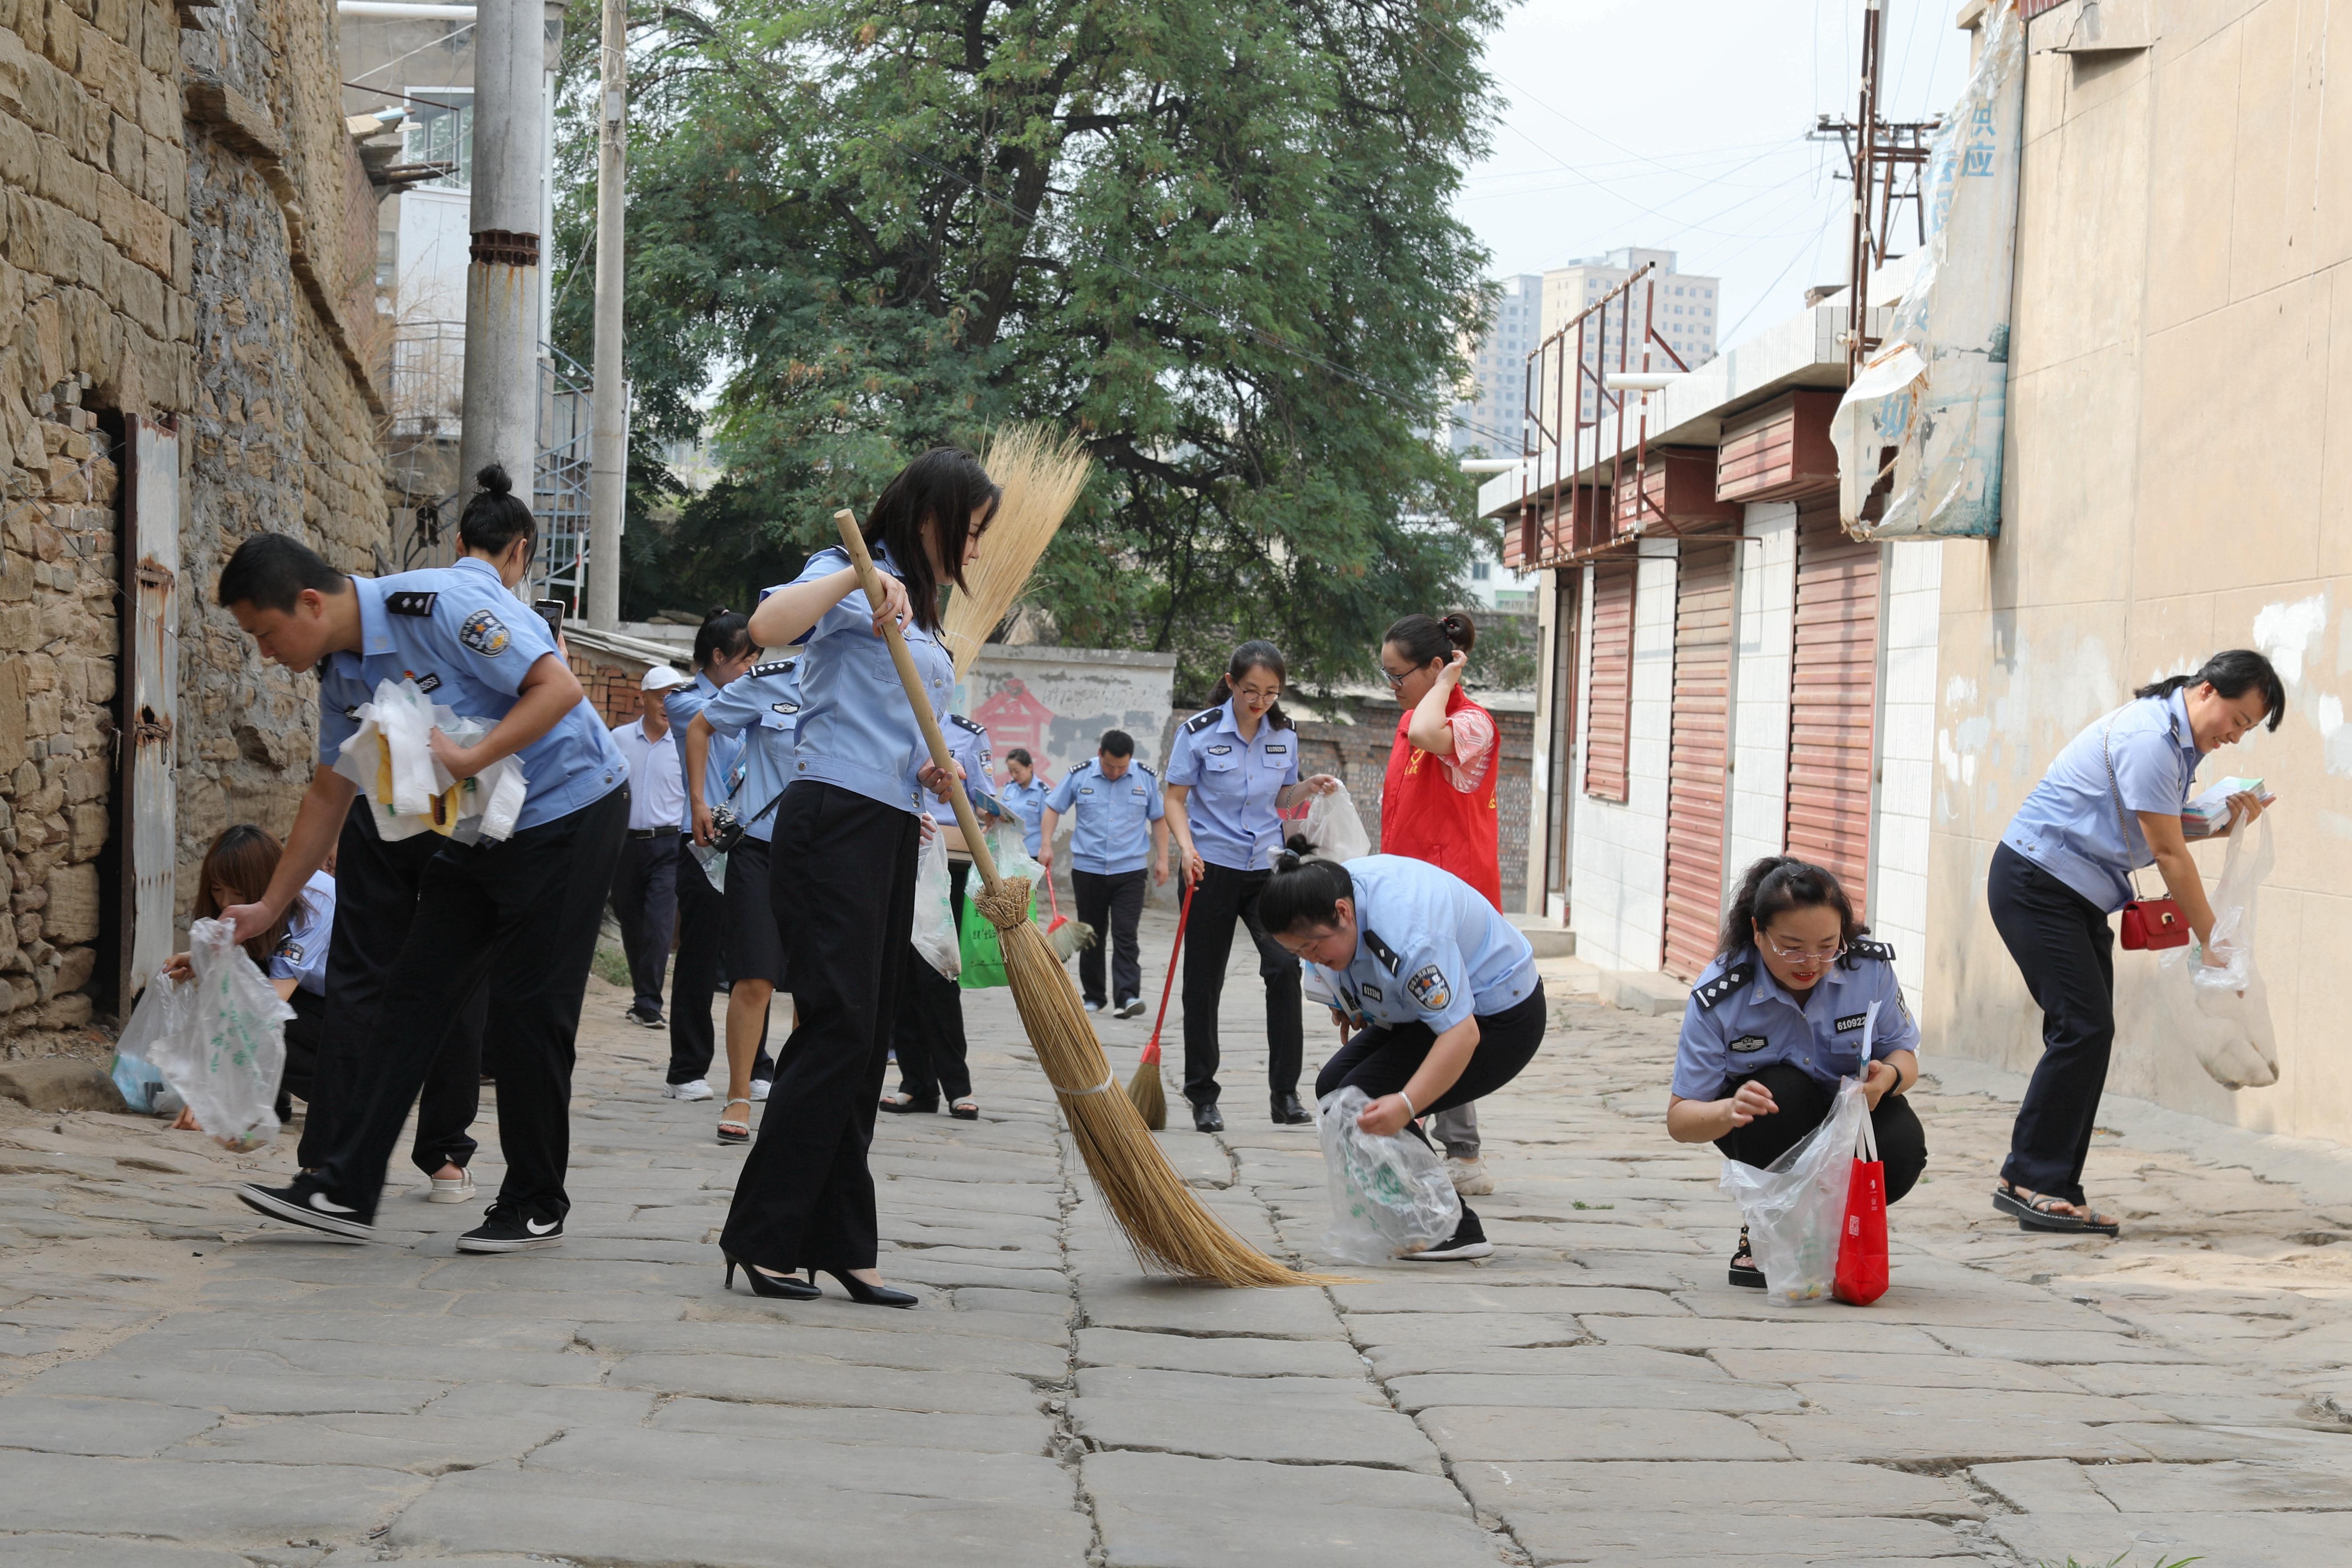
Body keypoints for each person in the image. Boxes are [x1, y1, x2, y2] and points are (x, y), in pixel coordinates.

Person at [225, 464, 630, 1253]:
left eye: (266, 634)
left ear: (310, 602)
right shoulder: (341, 670)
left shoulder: (443, 604)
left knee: (528, 1011)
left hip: (570, 814)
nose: (267, 653)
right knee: (410, 997)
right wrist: (270, 906)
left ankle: (535, 1199)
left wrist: (468, 756)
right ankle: (342, 1185)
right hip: (477, 834)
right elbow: (326, 795)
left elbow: (556, 690)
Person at [722, 446, 997, 1308]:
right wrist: (854, 580)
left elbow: (906, 722)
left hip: (887, 825)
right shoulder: (848, 574)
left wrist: (932, 768)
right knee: (838, 1026)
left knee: (866, 1034)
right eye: (974, 531)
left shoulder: (926, 616)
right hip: (828, 818)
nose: (979, 549)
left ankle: (842, 1239)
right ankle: (763, 1235)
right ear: (932, 518)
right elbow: (764, 628)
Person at [1989, 651, 2282, 1237]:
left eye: (2246, 728)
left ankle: (2049, 1184)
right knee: (2083, 1026)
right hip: (2037, 883)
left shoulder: (2176, 744)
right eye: (2237, 719)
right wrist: (2212, 941)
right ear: (2205, 691)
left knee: (2088, 1030)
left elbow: (2164, 828)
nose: (2234, 734)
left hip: (2073, 892)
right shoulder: (2150, 737)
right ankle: (2033, 1182)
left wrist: (2225, 818)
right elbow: (2168, 853)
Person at [1265, 845, 1545, 1263]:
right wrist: (1349, 1000)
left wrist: (1409, 1103)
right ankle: (1415, 1217)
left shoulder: (1410, 934)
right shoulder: (1328, 897)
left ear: (1342, 912)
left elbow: (1461, 1034)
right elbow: (1342, 966)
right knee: (1333, 1089)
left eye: (1313, 948)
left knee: (1368, 1095)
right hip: (1424, 1016)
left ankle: (1455, 1228)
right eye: (1298, 954)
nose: (1312, 959)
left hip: (1501, 1017)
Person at [1668, 857, 1925, 1289]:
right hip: (1769, 1124)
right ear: (1756, 931)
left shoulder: (1869, 970)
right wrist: (1729, 1108)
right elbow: (1679, 1120)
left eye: (1828, 945)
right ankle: (1764, 1225)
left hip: (1848, 1112)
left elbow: (1904, 1055)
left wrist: (1886, 1080)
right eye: (1791, 946)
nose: (1811, 962)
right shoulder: (1719, 994)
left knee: (1901, 1149)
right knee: (1777, 1093)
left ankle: (1831, 1230)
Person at [1163, 640, 1341, 1132]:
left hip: (1265, 868)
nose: (1260, 701)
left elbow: (1282, 796)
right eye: (1250, 691)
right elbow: (1174, 799)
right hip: (1210, 866)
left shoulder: (1285, 735)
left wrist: (1307, 789)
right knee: (1203, 983)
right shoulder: (1196, 733)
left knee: (1284, 967)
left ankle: (1284, 1094)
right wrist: (1185, 848)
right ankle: (1202, 1095)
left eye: (1270, 692)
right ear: (1229, 682)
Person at [1377, 610, 1502, 1197]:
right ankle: (1408, 1136)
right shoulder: (1409, 720)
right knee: (1406, 1015)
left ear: (1434, 665)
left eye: (1399, 674)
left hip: (1454, 897)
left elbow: (1434, 735)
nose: (1393, 687)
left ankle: (1465, 1153)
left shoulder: (1472, 722)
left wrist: (1451, 679)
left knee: (1448, 1016)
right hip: (1407, 893)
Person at [686, 653, 805, 1144]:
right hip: (759, 848)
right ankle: (739, 1093)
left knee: (814, 984)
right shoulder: (769, 683)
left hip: (827, 855)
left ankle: (800, 1096)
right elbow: (700, 726)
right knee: (755, 976)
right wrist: (698, 800)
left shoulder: (871, 683)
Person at [662, 609, 771, 1104]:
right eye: (746, 659)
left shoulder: (757, 695)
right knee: (700, 957)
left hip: (750, 838)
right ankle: (686, 1067)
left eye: (758, 662)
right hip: (703, 839)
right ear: (718, 656)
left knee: (754, 956)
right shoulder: (686, 702)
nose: (752, 670)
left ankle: (757, 1064)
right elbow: (720, 723)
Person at [177, 826, 338, 1141]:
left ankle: (345, 1093)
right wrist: (200, 957)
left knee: (259, 1014)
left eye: (239, 894)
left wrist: (208, 1090)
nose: (226, 903)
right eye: (217, 890)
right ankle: (269, 1098)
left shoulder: (317, 901)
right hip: (313, 997)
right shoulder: (252, 909)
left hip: (356, 1014)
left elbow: (267, 1005)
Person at [885, 711, 1000, 1118]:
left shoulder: (968, 736)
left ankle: (957, 1085)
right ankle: (916, 1085)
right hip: (895, 853)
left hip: (948, 863)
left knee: (939, 972)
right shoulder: (888, 718)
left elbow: (989, 802)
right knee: (900, 971)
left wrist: (989, 809)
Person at [1039, 729, 1168, 1017]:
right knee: (1092, 933)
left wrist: (1162, 859)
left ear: (1131, 760)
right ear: (1100, 754)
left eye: (1122, 767)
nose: (1115, 772)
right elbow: (1052, 807)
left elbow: (1159, 818)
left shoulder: (1144, 777)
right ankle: (1094, 996)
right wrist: (1046, 845)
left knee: (1126, 934)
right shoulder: (1080, 775)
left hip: (1130, 870)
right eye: (1110, 765)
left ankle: (1127, 996)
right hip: (1089, 869)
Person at [608, 665, 690, 1030]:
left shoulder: (687, 743)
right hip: (625, 844)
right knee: (631, 922)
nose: (667, 705)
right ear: (643, 698)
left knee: (659, 923)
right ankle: (642, 996)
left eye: (675, 696)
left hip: (669, 845)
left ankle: (649, 1002)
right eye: (661, 696)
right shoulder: (619, 739)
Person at [998, 749, 1050, 862]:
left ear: (1030, 767)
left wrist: (1046, 848)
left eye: (1017, 771)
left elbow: (1047, 824)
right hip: (1009, 851)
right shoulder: (1009, 788)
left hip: (1031, 854)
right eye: (1011, 771)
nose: (1014, 775)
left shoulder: (1042, 792)